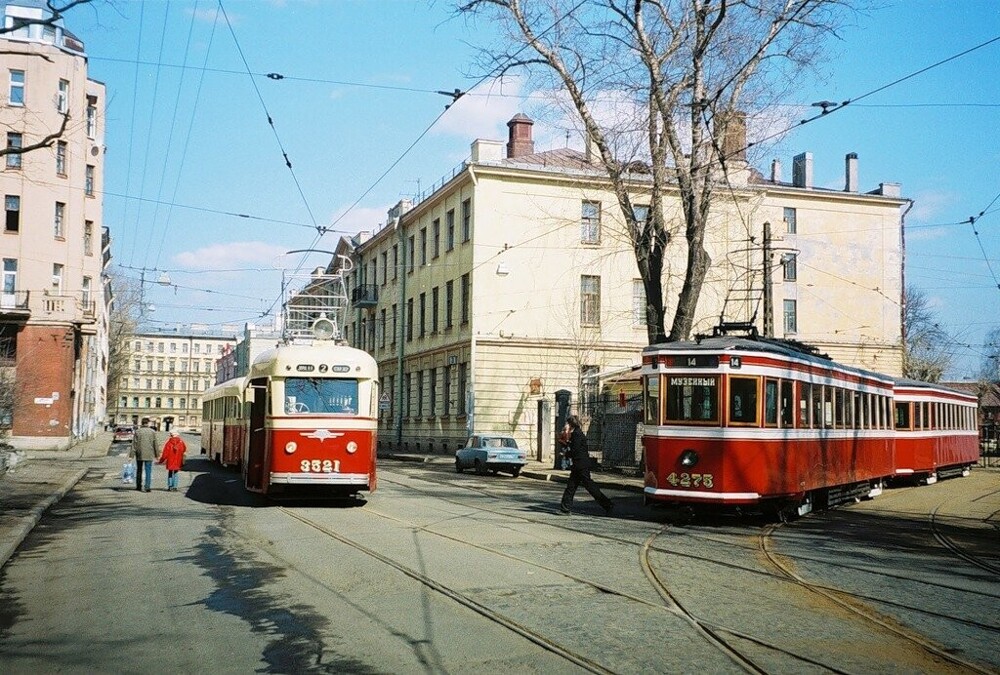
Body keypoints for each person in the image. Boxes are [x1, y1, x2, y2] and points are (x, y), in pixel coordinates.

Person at [559, 415, 613, 515]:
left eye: (567, 423)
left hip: (580, 465)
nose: (566, 425)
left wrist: (565, 454)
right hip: (579, 465)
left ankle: (607, 504)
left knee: (588, 486)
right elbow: (573, 446)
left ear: (571, 424)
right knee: (572, 486)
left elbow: (575, 450)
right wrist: (564, 443)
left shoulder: (577, 434)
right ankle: (565, 508)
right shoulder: (576, 434)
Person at [130, 417, 157, 492]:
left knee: (139, 470)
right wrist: (157, 455)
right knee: (148, 470)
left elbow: (134, 444)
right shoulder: (152, 431)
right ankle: (147, 487)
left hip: (139, 453)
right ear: (148, 423)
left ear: (142, 423)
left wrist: (131, 455)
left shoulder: (138, 431)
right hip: (149, 453)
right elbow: (155, 444)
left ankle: (138, 486)